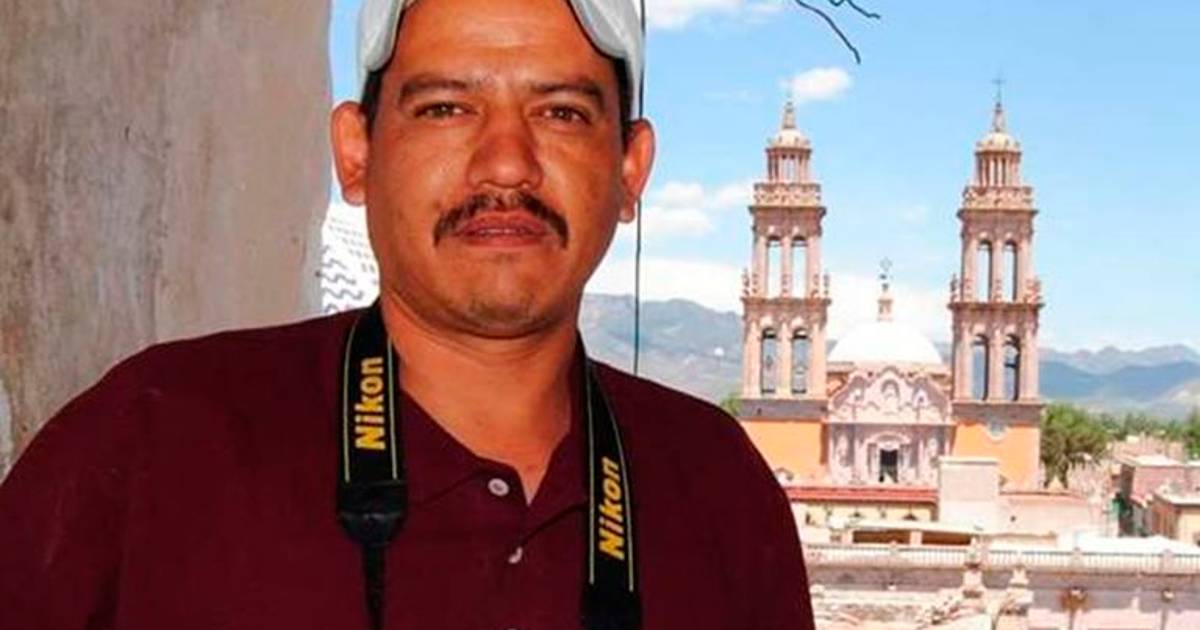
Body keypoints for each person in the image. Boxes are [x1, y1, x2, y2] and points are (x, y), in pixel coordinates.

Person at [0, 0, 816, 628]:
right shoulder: (157, 441)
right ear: (356, 153)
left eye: (562, 112)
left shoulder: (716, 487)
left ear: (630, 170)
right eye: (445, 108)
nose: (506, 163)